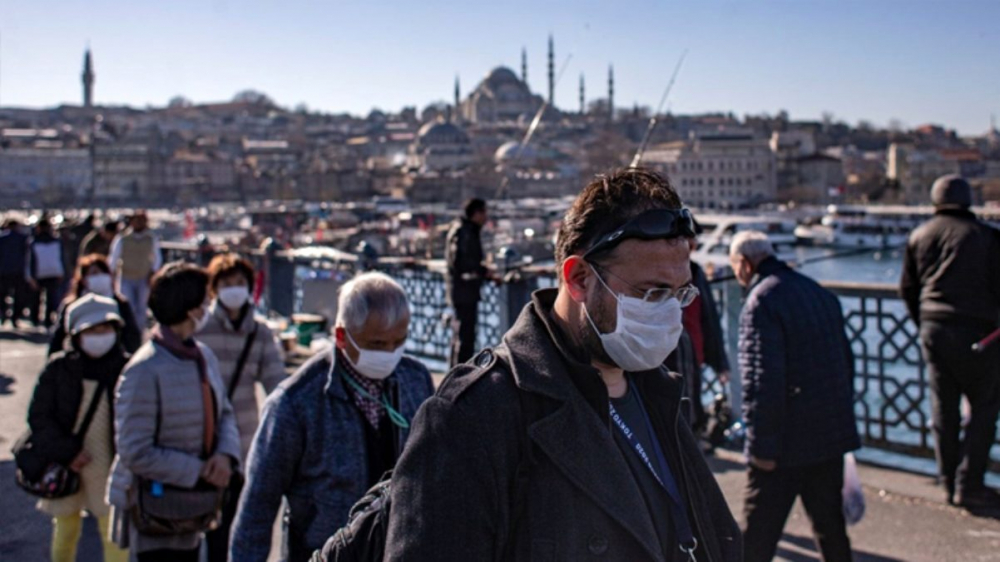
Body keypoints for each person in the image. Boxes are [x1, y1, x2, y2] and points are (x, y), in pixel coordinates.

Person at [386, 169, 741, 561]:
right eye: (651, 293)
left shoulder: (661, 393)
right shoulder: (473, 419)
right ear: (578, 279)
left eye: (679, 293)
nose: (668, 312)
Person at [231, 272, 434, 562]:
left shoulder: (415, 380)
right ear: (341, 336)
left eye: (398, 342)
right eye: (376, 344)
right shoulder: (295, 403)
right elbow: (257, 509)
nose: (390, 353)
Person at [729, 230, 860, 562]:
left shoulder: (761, 301)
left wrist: (760, 447)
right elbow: (846, 364)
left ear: (744, 264)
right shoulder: (818, 292)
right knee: (831, 531)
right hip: (829, 437)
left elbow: (762, 380)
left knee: (757, 538)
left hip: (784, 444)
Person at [106, 262, 241, 562]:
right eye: (204, 300)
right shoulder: (143, 370)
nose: (208, 306)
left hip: (198, 509)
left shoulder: (202, 356)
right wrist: (199, 472)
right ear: (190, 309)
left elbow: (225, 414)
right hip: (157, 512)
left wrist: (225, 455)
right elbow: (134, 451)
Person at [900, 174, 1000, 508]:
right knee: (984, 407)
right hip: (980, 333)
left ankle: (947, 481)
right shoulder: (986, 236)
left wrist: (924, 323)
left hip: (934, 329)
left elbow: (909, 289)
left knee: (944, 409)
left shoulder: (920, 235)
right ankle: (969, 483)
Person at [197, 253, 286, 562]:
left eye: (240, 283)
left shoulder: (260, 332)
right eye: (226, 283)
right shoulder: (199, 329)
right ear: (214, 289)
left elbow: (277, 385)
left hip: (245, 442)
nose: (234, 289)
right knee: (201, 525)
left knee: (236, 525)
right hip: (203, 440)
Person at [28, 294, 131, 562]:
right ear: (75, 333)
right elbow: (39, 418)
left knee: (113, 536)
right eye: (92, 330)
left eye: (106, 329)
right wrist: (67, 452)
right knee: (65, 531)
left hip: (109, 464)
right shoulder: (58, 369)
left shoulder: (127, 368)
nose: (100, 336)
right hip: (67, 463)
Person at [49, 254, 142, 356]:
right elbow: (57, 339)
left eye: (104, 273)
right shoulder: (71, 306)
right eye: (94, 273)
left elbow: (132, 336)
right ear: (83, 279)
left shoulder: (120, 304)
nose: (100, 277)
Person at [445, 198, 493, 367]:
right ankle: (460, 376)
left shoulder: (461, 229)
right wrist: (482, 271)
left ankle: (455, 372)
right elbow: (461, 263)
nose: (486, 217)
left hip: (461, 290)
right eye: (484, 212)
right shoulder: (465, 232)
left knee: (460, 334)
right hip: (464, 291)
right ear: (476, 213)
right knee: (465, 336)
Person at [109, 210, 162, 330]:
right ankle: (130, 331)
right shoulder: (122, 238)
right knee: (129, 305)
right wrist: (111, 273)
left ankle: (139, 332)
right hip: (126, 276)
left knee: (142, 307)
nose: (139, 223)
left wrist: (153, 272)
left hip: (144, 277)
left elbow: (157, 258)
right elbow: (114, 257)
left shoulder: (151, 238)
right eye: (136, 220)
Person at [28, 217, 66, 329]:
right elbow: (61, 257)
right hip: (54, 272)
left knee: (36, 298)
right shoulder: (57, 241)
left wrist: (30, 276)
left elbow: (29, 260)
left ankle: (35, 319)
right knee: (51, 298)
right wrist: (62, 272)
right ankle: (48, 321)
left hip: (37, 273)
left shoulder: (33, 241)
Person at [0, 217, 31, 328]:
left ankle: (3, 314)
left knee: (3, 295)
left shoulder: (2, 238)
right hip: (19, 271)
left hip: (3, 271)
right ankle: (15, 317)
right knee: (19, 296)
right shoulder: (23, 238)